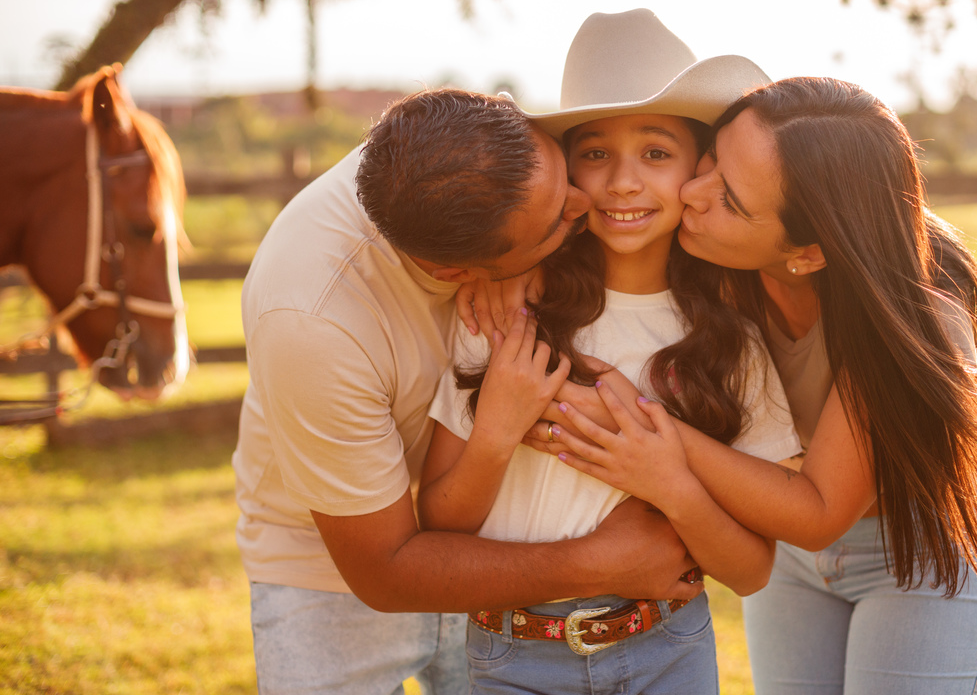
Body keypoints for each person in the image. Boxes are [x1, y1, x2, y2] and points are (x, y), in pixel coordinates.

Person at [547, 77, 977, 694]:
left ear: (808, 252)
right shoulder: (712, 254)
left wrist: (653, 435)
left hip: (924, 549)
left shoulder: (916, 316)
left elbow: (819, 510)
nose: (691, 192)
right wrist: (496, 277)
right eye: (713, 160)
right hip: (789, 553)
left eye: (731, 198)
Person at [232, 88, 704, 694]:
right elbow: (384, 571)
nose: (586, 207)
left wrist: (537, 258)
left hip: (496, 539)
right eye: (559, 219)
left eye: (563, 185)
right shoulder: (313, 320)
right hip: (333, 569)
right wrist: (602, 562)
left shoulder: (473, 141)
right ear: (458, 272)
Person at [419, 9, 798, 695]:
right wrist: (496, 433)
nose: (624, 182)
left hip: (669, 644)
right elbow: (440, 524)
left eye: (655, 153)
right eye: (595, 153)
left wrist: (670, 483)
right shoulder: (503, 314)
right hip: (514, 655)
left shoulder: (732, 340)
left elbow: (751, 572)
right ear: (565, 169)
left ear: (698, 167)